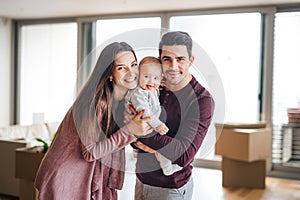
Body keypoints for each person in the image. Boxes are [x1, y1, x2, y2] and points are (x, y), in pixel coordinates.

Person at [34, 42, 152, 200]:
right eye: (121, 67)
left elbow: (121, 139)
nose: (131, 72)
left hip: (84, 176)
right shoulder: (95, 103)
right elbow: (90, 152)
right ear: (109, 74)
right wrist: (131, 130)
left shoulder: (122, 102)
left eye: (133, 64)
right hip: (64, 179)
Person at [133, 31, 215, 200]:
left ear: (191, 61)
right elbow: (128, 127)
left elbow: (183, 155)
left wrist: (142, 133)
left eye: (180, 59)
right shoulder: (153, 87)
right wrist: (138, 136)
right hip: (141, 180)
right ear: (160, 60)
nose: (173, 66)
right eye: (167, 59)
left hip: (170, 189)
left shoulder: (201, 100)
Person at [125, 56, 182, 176]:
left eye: (155, 78)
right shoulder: (138, 93)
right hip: (143, 125)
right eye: (146, 77)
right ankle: (167, 168)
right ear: (138, 75)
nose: (151, 81)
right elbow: (144, 112)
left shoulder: (152, 89)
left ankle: (160, 158)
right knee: (163, 145)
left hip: (148, 125)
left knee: (159, 147)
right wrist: (158, 125)